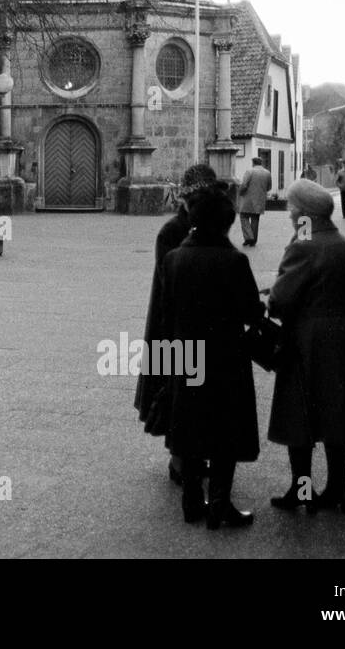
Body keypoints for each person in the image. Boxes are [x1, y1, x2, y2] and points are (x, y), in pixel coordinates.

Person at [158, 182, 262, 528]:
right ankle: (219, 503)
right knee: (224, 428)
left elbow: (164, 312)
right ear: (225, 224)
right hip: (225, 357)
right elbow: (251, 313)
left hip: (184, 355)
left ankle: (191, 503)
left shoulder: (173, 260)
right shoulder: (234, 261)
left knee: (188, 425)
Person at [267, 179, 345, 514]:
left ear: (302, 212)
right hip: (343, 333)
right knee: (335, 410)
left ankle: (302, 489)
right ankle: (339, 487)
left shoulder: (304, 245)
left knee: (300, 414)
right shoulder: (344, 244)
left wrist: (273, 296)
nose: (288, 214)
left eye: (291, 208)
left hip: (308, 336)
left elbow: (281, 301)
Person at [135, 163, 218, 486]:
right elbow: (167, 278)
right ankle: (180, 460)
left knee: (197, 391)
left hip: (201, 321)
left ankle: (196, 456)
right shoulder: (172, 231)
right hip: (172, 320)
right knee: (176, 390)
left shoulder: (211, 227)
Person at [237, 157, 272, 246]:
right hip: (260, 199)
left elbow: (244, 185)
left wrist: (240, 193)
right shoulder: (267, 173)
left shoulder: (249, 171)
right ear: (261, 163)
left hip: (248, 199)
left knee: (243, 216)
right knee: (255, 219)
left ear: (253, 163)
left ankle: (249, 237)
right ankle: (253, 240)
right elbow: (269, 187)